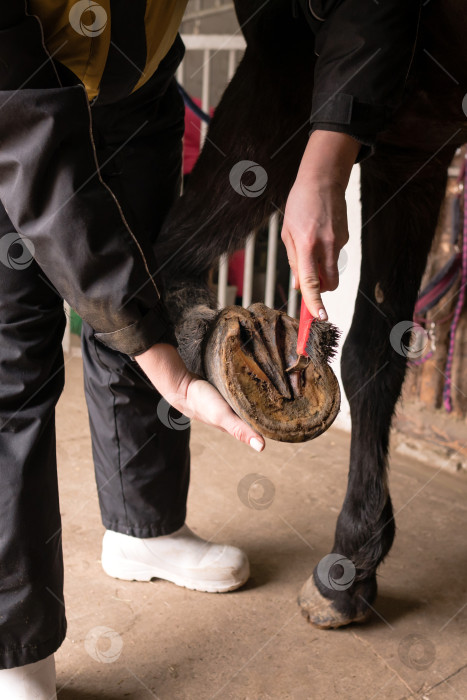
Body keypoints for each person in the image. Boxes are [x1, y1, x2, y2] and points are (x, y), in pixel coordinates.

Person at [0, 1, 421, 696]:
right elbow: (41, 171)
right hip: (16, 108)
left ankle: (144, 527)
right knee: (12, 368)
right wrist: (166, 367)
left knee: (151, 283)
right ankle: (15, 647)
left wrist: (326, 153)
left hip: (136, 94)